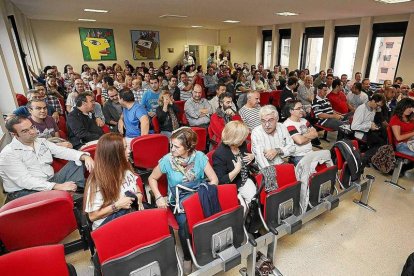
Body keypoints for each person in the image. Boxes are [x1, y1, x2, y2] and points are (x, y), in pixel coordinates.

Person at [148, 127, 218, 274]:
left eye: (176, 146)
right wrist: (159, 196)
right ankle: (188, 257)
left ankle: (207, 247)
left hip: (198, 196)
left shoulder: (199, 157)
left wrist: (205, 192)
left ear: (188, 147)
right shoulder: (168, 160)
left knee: (211, 212)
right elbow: (152, 178)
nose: (171, 149)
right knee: (185, 223)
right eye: (171, 145)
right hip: (178, 202)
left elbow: (214, 180)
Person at [0, 116, 94, 202]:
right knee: (62, 195)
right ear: (14, 134)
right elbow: (25, 181)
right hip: (25, 191)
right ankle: (72, 195)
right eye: (25, 131)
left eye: (32, 127)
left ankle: (72, 191)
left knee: (78, 160)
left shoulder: (41, 141)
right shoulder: (8, 154)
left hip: (49, 180)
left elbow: (62, 151)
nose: (32, 132)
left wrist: (85, 156)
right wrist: (57, 186)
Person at [84, 133, 144, 230]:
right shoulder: (96, 181)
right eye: (124, 149)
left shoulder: (125, 167)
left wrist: (139, 195)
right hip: (110, 226)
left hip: (129, 216)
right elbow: (92, 216)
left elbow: (135, 184)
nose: (129, 151)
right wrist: (117, 205)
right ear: (114, 155)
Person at [212, 121, 256, 211]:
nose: (245, 140)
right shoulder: (219, 154)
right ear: (235, 139)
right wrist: (236, 170)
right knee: (241, 209)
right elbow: (221, 181)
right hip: (232, 185)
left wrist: (252, 156)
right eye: (242, 138)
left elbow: (247, 158)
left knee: (254, 199)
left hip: (244, 179)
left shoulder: (241, 144)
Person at [251, 105, 295, 169]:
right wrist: (270, 174)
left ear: (277, 119)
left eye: (270, 120)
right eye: (263, 121)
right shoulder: (256, 132)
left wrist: (277, 150)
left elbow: (292, 147)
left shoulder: (282, 127)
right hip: (265, 168)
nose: (267, 125)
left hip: (282, 163)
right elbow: (260, 158)